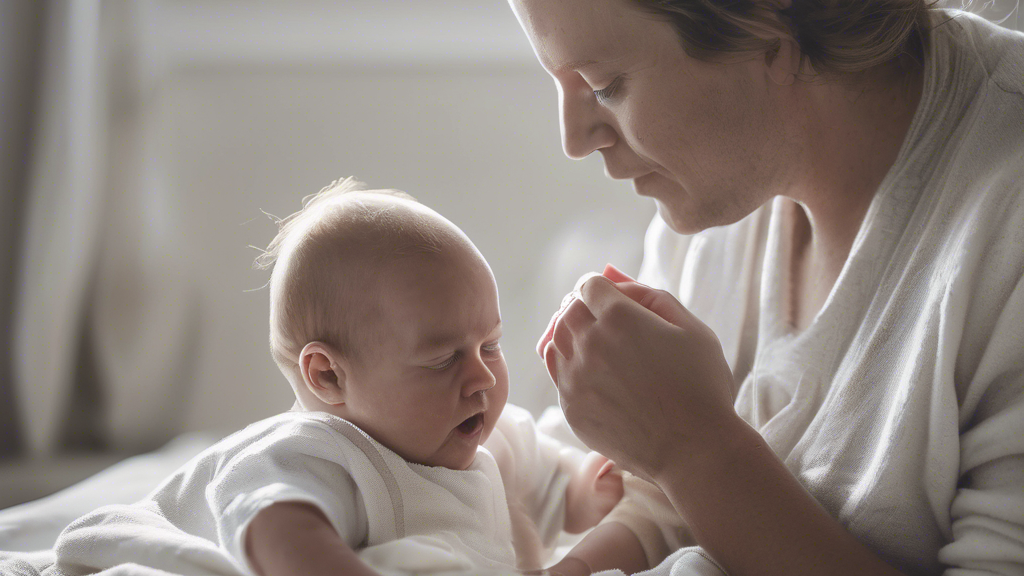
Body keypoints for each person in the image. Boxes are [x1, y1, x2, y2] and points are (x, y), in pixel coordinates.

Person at [508, 0, 1024, 574]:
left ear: (769, 34)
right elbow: (616, 494)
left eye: (604, 85)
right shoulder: (727, 178)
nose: (574, 140)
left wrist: (695, 451)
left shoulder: (1004, 227)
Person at [46, 178, 653, 576]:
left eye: (490, 345)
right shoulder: (322, 453)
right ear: (328, 377)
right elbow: (275, 524)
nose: (480, 379)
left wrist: (589, 486)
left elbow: (551, 482)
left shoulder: (489, 438)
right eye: (443, 359)